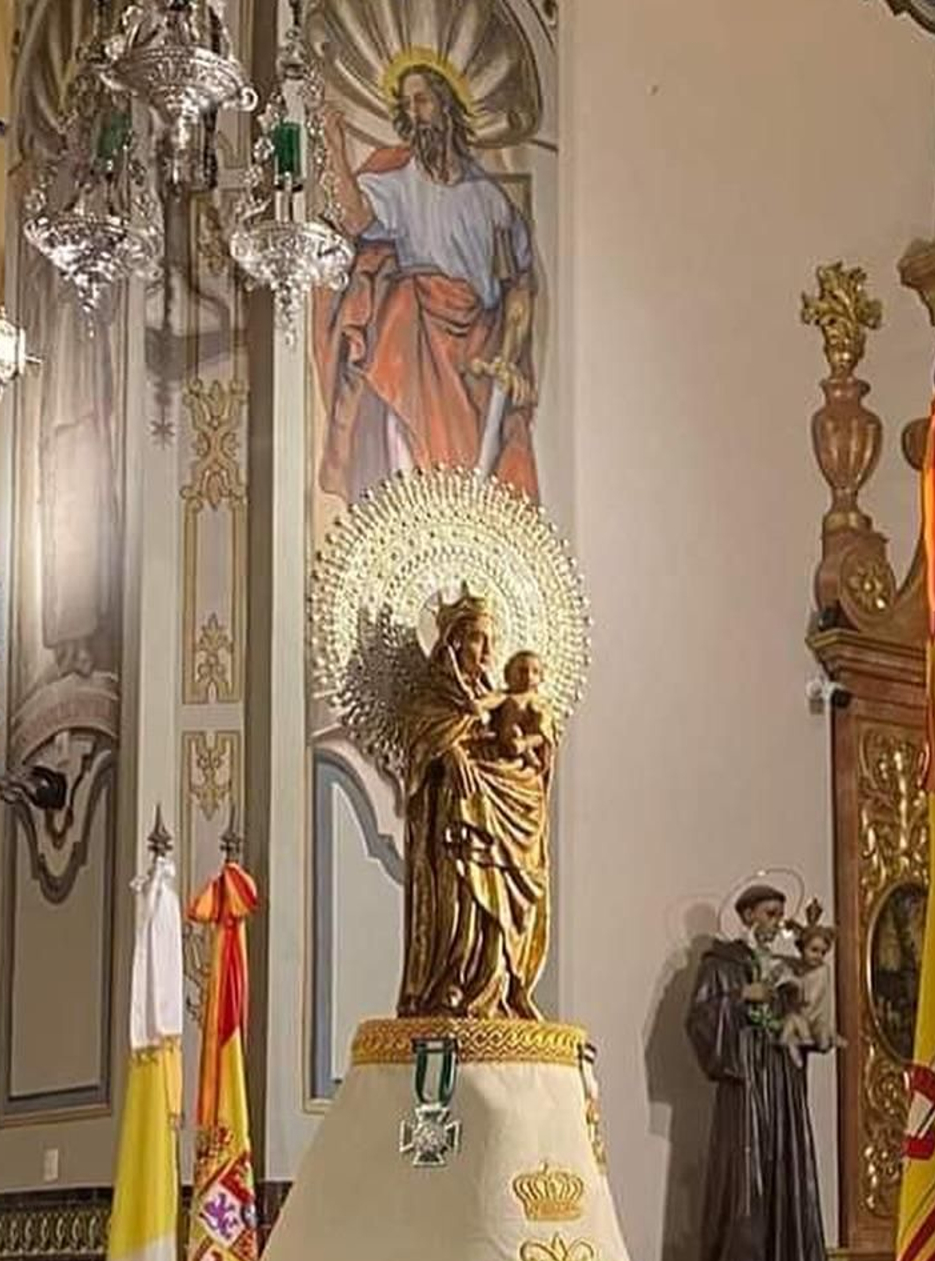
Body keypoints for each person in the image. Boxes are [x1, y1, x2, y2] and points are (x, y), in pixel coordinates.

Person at [317, 60, 538, 502]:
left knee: (472, 470)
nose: (414, 114)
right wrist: (337, 149)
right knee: (414, 454)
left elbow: (518, 285)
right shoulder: (401, 185)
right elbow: (356, 219)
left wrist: (509, 355)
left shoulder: (490, 200)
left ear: (446, 103)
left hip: (474, 355)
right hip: (417, 343)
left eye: (421, 101)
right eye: (406, 105)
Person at [398, 594, 550, 1019]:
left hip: (506, 807)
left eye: (491, 640)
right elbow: (420, 736)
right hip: (459, 811)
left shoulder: (497, 694)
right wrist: (448, 749)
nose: (487, 650)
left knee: (502, 899)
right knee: (462, 896)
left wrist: (526, 756)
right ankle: (454, 979)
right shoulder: (434, 696)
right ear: (453, 641)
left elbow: (534, 741)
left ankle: (498, 985)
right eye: (478, 639)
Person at [686, 885, 831, 1261]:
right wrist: (739, 999)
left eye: (780, 916)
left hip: (782, 1082)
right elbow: (699, 1017)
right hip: (746, 1081)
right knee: (746, 1180)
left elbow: (802, 1022)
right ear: (748, 915)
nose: (775, 924)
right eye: (769, 914)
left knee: (784, 1171)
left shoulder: (786, 968)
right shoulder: (721, 963)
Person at [779, 918, 838, 1067]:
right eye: (814, 950)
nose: (818, 956)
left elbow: (809, 999)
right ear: (802, 948)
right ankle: (793, 1051)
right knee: (788, 1030)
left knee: (794, 1023)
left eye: (823, 952)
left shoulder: (822, 971)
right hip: (803, 1020)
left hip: (815, 1021)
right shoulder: (799, 968)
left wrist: (797, 986)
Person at [490, 649, 553, 770]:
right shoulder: (503, 696)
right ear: (508, 674)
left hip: (522, 746)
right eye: (522, 671)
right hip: (500, 746)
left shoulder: (539, 703)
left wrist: (524, 743)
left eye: (535, 672)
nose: (529, 676)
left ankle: (528, 759)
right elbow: (490, 704)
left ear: (541, 678)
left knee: (515, 732)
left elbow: (543, 735)